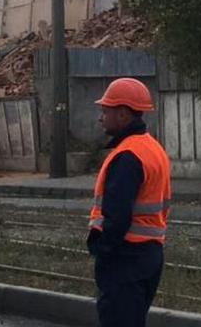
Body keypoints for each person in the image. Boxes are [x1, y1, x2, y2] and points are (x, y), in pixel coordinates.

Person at [87, 78, 171, 327]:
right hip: (150, 255)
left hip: (125, 258)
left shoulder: (127, 156)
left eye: (105, 111)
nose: (101, 118)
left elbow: (117, 217)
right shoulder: (153, 148)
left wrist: (103, 251)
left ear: (123, 115)